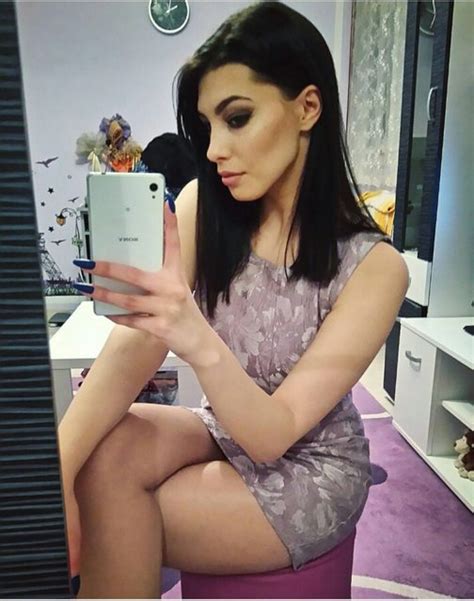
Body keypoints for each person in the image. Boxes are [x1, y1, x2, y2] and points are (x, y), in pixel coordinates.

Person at [61, 2, 409, 597]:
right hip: (221, 427)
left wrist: (191, 331)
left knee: (115, 512)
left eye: (237, 118)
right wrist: (58, 472)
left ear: (307, 107)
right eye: (208, 126)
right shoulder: (204, 207)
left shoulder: (376, 268)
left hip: (310, 463)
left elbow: (274, 434)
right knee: (101, 455)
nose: (214, 148)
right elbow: (134, 345)